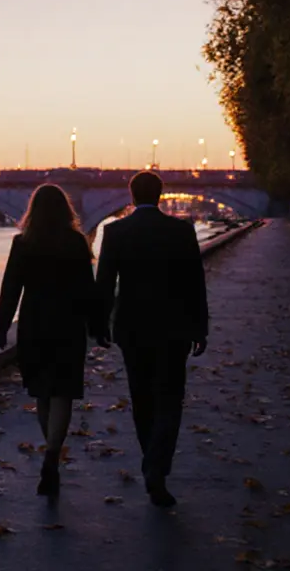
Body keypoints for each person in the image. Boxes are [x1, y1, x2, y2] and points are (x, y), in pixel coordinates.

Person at [95, 171, 208, 508]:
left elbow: (104, 284)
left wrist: (100, 323)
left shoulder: (115, 232)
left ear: (131, 196)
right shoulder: (182, 231)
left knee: (141, 397)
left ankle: (152, 463)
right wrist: (199, 327)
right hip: (174, 328)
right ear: (160, 195)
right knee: (171, 399)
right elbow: (194, 283)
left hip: (131, 328)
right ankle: (156, 467)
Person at [0, 184, 107, 497]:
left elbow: (11, 287)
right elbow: (88, 289)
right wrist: (97, 326)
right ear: (65, 210)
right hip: (68, 325)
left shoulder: (22, 243)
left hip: (34, 325)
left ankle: (50, 454)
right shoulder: (75, 242)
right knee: (63, 393)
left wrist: (2, 327)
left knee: (42, 393)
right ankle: (52, 456)